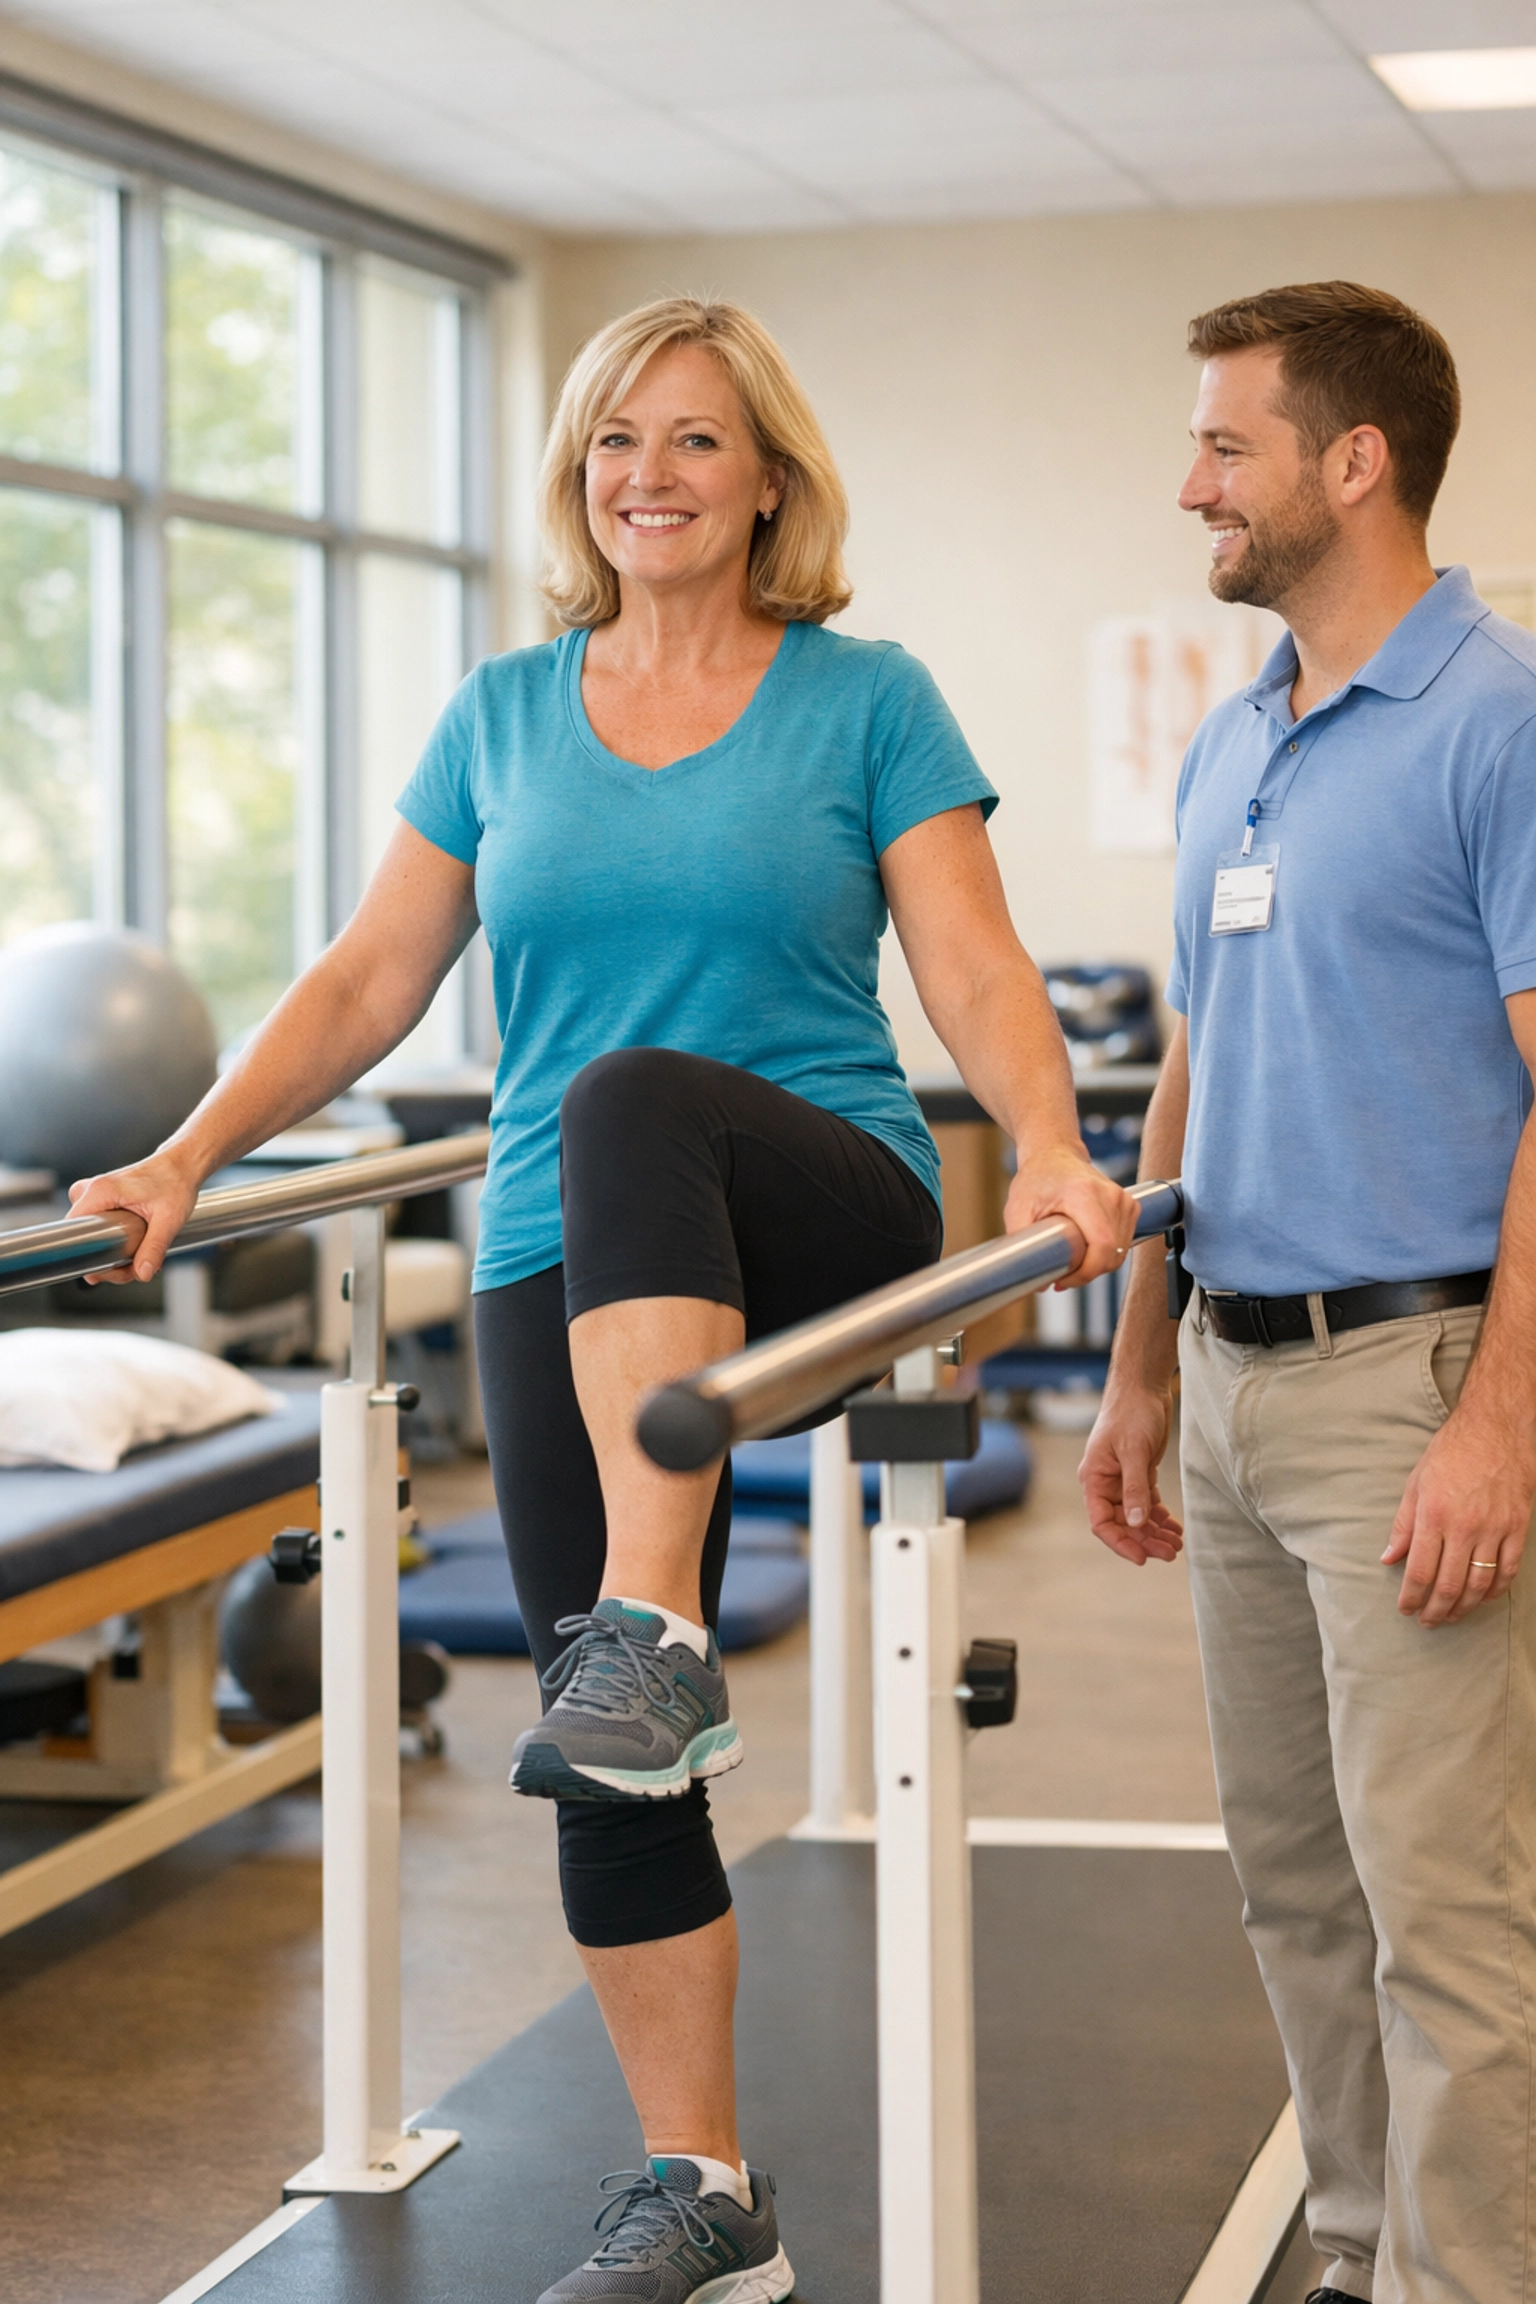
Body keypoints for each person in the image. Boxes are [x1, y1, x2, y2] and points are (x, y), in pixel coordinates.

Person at [73, 295, 1135, 2303]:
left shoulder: (868, 698)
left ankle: (655, 1627)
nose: (649, 473)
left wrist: (1056, 1150)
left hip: (820, 1208)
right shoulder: (501, 714)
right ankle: (703, 2191)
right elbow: (367, 982)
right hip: (568, 1260)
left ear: (768, 484)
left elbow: (980, 972)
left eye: (696, 440)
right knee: (609, 1752)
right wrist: (193, 1153)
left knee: (638, 1103)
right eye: (616, 440)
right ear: (584, 479)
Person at [1080, 280, 1536, 2304]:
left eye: (1227, 446)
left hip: (1415, 1381)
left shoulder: (1502, 724)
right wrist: (1137, 1362)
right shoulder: (1238, 729)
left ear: (1356, 464)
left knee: (1447, 1907)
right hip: (1243, 1375)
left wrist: (1500, 1421)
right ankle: (1360, 2253)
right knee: (1293, 1884)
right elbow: (1198, 1049)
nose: (1192, 486)